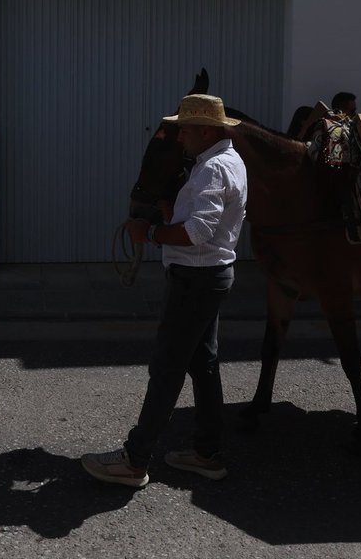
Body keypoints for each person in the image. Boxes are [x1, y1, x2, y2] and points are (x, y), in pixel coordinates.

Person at [81, 93, 247, 487]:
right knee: (203, 364)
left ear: (205, 130)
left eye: (185, 130)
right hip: (210, 274)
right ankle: (206, 453)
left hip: (195, 278)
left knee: (167, 367)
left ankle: (135, 460)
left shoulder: (211, 169)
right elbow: (205, 221)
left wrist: (152, 232)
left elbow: (198, 232)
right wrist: (175, 214)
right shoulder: (228, 161)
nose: (181, 136)